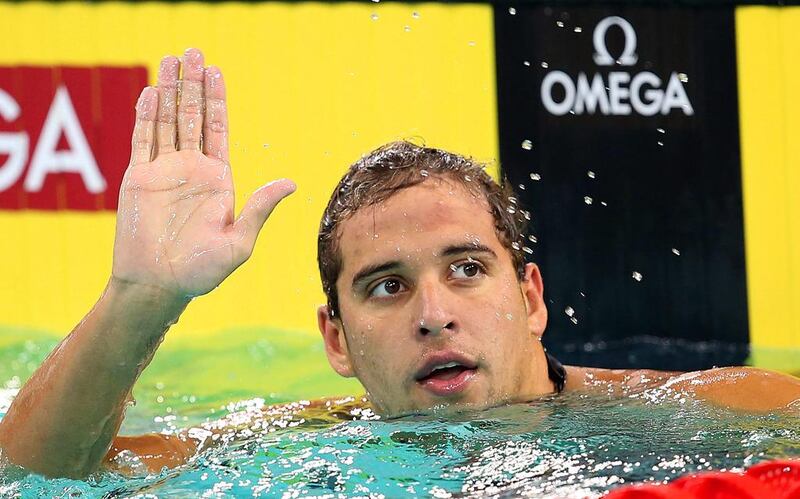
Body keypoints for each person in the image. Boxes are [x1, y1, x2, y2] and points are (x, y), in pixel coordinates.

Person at [0, 48, 798, 480]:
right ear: (336, 339)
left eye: (466, 268)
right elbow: (43, 476)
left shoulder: (709, 412)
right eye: (385, 286)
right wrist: (140, 296)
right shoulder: (289, 446)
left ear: (531, 295)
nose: (432, 311)